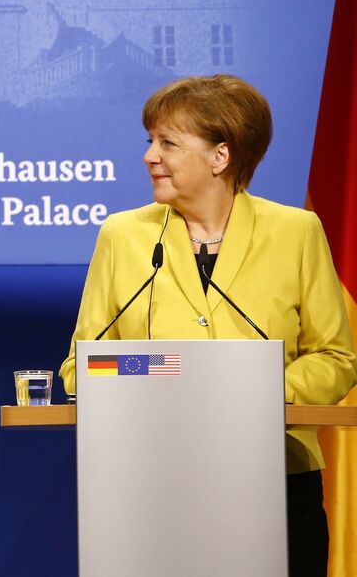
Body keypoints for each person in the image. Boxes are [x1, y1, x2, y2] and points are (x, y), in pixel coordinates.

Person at [58, 74, 356, 575]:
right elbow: (80, 366)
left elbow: (336, 357)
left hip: (277, 477)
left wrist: (257, 392)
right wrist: (168, 378)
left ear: (221, 156)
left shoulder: (297, 232)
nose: (150, 156)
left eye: (168, 143)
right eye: (150, 141)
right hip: (153, 482)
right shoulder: (123, 235)